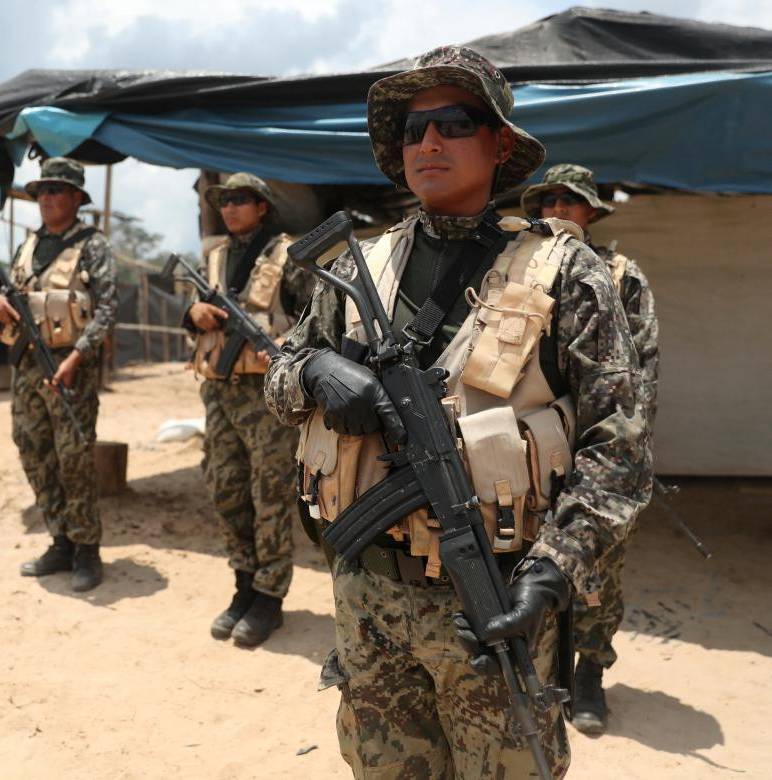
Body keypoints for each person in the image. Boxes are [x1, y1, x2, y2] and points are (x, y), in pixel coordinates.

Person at [264, 46, 651, 777]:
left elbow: (619, 447)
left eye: (454, 122)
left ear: (500, 143)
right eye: (413, 130)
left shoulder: (567, 274)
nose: (429, 142)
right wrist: (315, 371)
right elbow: (277, 374)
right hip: (369, 603)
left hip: (498, 602)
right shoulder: (353, 269)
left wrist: (551, 575)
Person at [522, 164, 660, 734]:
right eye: (546, 198)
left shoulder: (622, 278)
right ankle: (544, 673)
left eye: (568, 199)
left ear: (591, 211)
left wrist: (618, 455)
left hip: (598, 453)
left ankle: (589, 675)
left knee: (598, 572)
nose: (555, 208)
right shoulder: (519, 270)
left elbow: (643, 375)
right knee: (534, 563)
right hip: (533, 452)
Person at [182, 172, 314, 647]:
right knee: (225, 487)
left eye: (241, 200)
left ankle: (269, 597)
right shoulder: (215, 257)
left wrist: (284, 345)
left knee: (270, 495)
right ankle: (243, 584)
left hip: (266, 399)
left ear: (262, 207)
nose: (230, 207)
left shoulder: (288, 255)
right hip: (218, 392)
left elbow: (316, 322)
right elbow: (195, 312)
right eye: (225, 201)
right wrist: (193, 315)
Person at [0, 157, 117, 593]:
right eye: (41, 191)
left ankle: (86, 550)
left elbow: (107, 310)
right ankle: (60, 539)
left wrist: (77, 356)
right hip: (27, 364)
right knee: (33, 449)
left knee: (74, 458)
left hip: (69, 368)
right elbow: (11, 293)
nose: (45, 198)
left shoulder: (92, 245)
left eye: (56, 190)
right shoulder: (28, 245)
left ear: (77, 198)